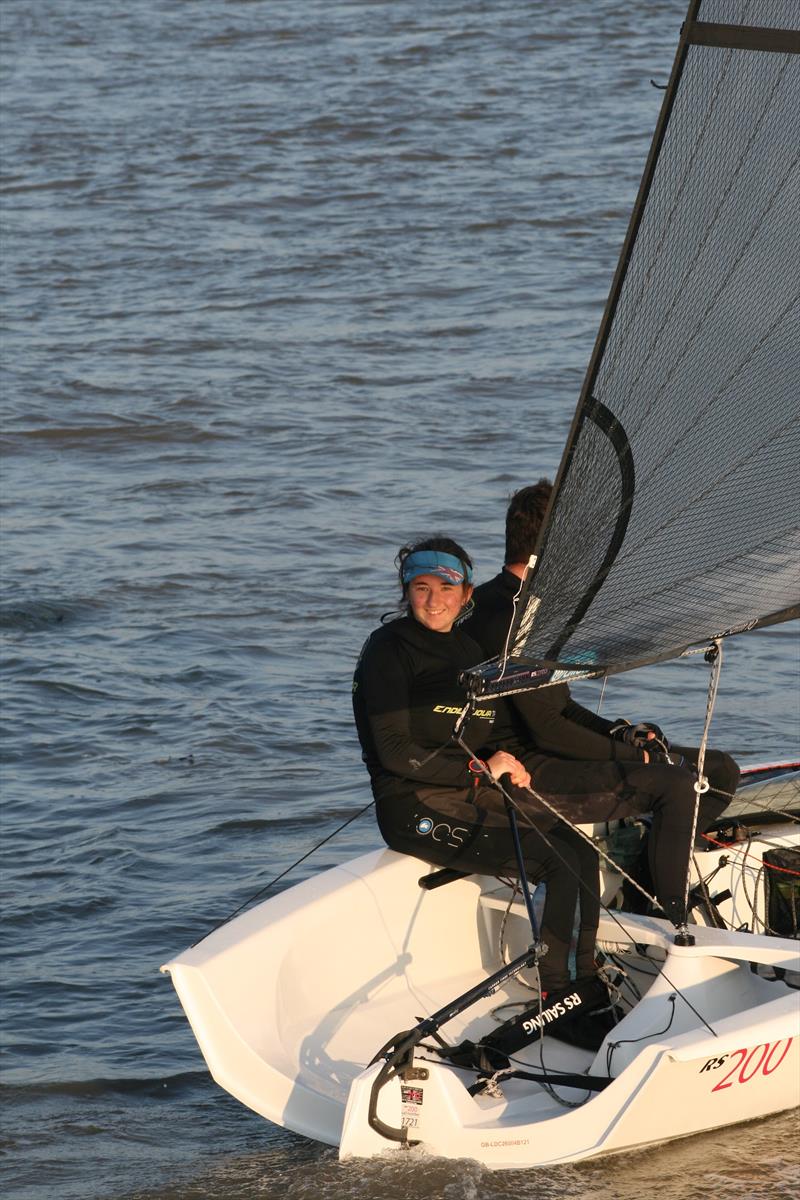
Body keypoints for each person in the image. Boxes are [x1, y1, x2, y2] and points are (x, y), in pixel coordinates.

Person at [352, 535, 610, 1049]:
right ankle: (555, 997)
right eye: (420, 588)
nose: (434, 599)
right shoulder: (389, 650)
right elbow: (393, 751)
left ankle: (584, 984)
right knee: (556, 862)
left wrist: (509, 763)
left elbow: (486, 736)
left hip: (466, 794)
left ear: (466, 593)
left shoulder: (470, 652)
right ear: (407, 592)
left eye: (446, 588)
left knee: (580, 852)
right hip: (413, 807)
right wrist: (480, 769)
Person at [463, 480, 741, 922]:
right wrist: (636, 758)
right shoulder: (511, 617)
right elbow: (545, 730)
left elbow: (558, 708)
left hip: (545, 745)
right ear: (556, 547)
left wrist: (622, 733)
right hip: (524, 765)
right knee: (677, 783)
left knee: (719, 770)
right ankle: (671, 919)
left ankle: (645, 879)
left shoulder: (523, 604)